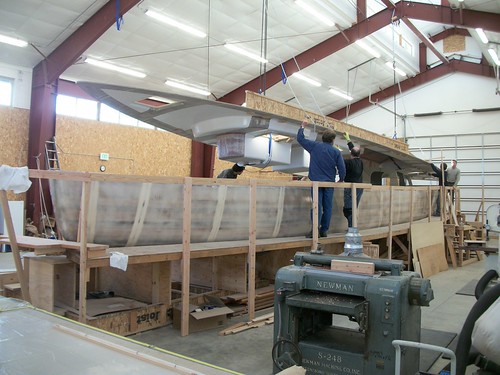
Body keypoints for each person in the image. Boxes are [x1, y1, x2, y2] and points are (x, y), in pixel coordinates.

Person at [297, 120, 346, 238]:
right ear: (333, 140)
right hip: (329, 183)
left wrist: (302, 126)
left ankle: (315, 231)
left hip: (316, 183)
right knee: (328, 207)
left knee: (316, 206)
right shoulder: (336, 152)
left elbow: (301, 139)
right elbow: (342, 168)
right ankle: (324, 231)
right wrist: (341, 179)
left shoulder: (314, 146)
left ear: (322, 138)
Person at [342, 132, 363, 228]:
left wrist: (334, 148)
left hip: (350, 187)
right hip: (359, 187)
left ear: (350, 153)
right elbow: (353, 150)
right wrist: (348, 139)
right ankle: (353, 226)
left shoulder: (348, 163)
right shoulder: (361, 162)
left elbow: (339, 160)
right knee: (354, 208)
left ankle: (352, 228)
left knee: (348, 209)